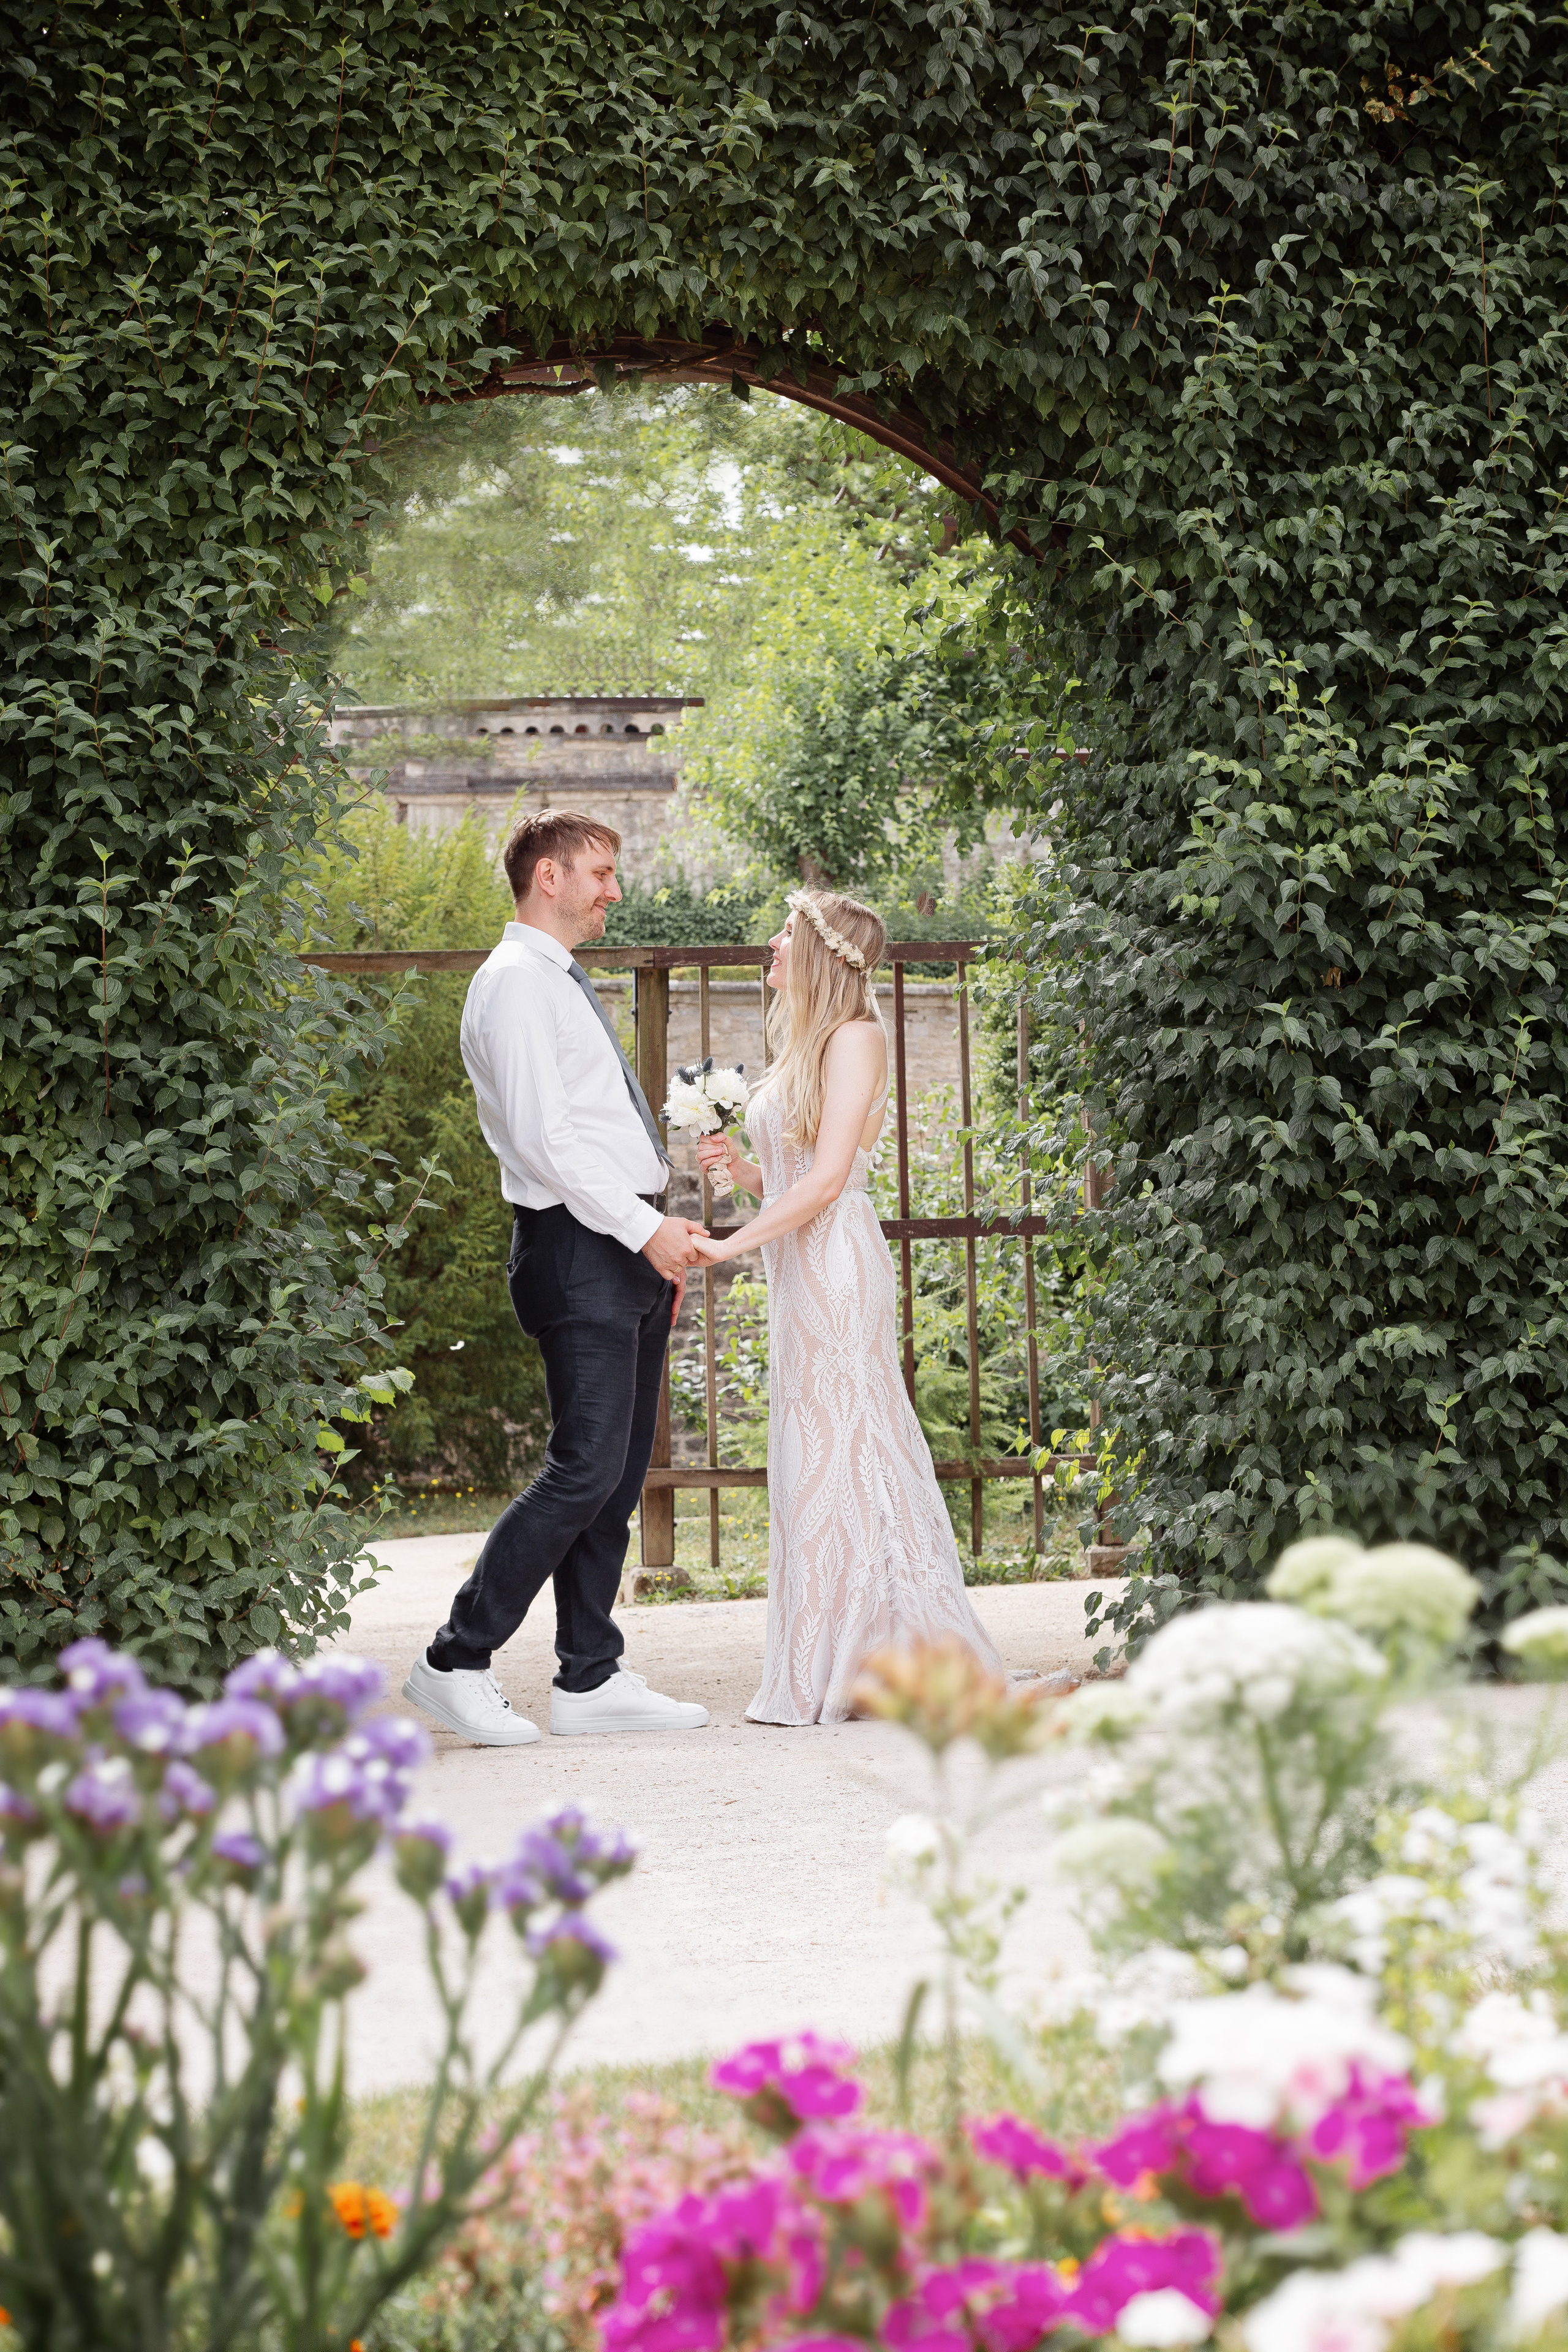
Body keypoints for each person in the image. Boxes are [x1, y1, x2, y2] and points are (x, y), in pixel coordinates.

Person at [402, 811, 712, 1746]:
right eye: (601, 873)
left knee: (614, 1477)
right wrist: (642, 1229)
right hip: (577, 1243)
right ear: (549, 875)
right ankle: (454, 1659)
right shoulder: (515, 986)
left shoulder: (554, 983)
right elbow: (547, 1139)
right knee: (581, 1470)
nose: (613, 890)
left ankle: (590, 1676)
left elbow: (590, 1128)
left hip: (616, 1243)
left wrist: (651, 1237)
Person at [692, 889, 1005, 1725]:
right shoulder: (810, 1045)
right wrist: (738, 1173)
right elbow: (790, 1177)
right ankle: (845, 1656)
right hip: (800, 1260)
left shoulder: (859, 1036)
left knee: (848, 1447)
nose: (770, 941)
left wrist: (729, 1244)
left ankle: (885, 1659)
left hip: (834, 1262)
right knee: (813, 1452)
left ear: (826, 953)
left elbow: (831, 1183)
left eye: (786, 932)